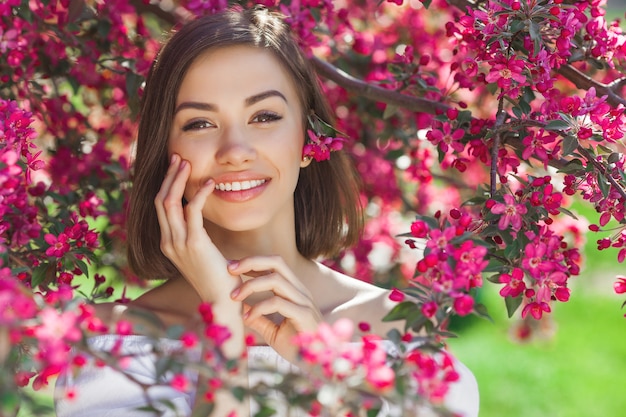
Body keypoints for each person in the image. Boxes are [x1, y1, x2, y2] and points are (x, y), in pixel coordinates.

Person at [55, 6, 479, 417]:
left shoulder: (401, 336)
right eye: (199, 124)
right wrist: (223, 315)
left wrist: (323, 363)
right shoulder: (109, 343)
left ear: (310, 142)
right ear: (166, 151)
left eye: (264, 116)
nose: (236, 151)